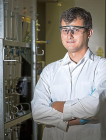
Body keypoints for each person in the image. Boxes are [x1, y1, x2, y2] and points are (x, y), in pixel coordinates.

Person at [31, 7, 106, 140]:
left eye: (75, 30)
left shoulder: (102, 67)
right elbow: (37, 113)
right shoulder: (50, 70)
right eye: (65, 30)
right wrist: (72, 121)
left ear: (89, 32)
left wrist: (57, 106)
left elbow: (95, 106)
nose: (69, 35)